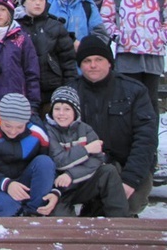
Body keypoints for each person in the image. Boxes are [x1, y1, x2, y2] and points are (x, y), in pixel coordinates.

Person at [69, 35, 158, 216]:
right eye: (87, 60)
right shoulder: (70, 93)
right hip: (88, 169)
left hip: (129, 166)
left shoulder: (135, 91)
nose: (93, 65)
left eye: (99, 59)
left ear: (109, 62)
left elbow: (146, 139)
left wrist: (130, 180)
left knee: (125, 204)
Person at [100, 0, 167, 118]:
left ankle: (150, 141)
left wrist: (161, 35)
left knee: (150, 99)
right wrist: (118, 36)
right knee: (128, 99)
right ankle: (129, 142)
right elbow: (105, 17)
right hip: (128, 54)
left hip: (153, 53)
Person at [43, 86, 129, 218]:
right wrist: (87, 149)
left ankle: (120, 220)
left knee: (109, 171)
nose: (61, 113)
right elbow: (59, 161)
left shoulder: (85, 129)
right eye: (57, 109)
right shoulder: (48, 131)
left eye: (67, 109)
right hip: (60, 188)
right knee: (61, 219)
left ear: (75, 111)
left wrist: (71, 175)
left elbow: (97, 159)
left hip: (82, 182)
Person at [0, 93, 59, 217]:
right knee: (7, 207)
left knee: (45, 162)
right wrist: (6, 184)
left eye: (19, 127)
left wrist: (55, 191)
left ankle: (34, 213)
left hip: (24, 179)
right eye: (7, 126)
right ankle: (1, 216)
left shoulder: (37, 132)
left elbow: (49, 167)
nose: (13, 131)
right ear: (0, 118)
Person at [17, 0, 77, 115]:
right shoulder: (16, 28)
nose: (37, 3)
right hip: (24, 90)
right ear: (24, 2)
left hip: (52, 89)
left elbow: (68, 62)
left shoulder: (56, 26)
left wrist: (68, 90)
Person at [0, 0, 41, 112]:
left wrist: (33, 102)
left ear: (9, 12)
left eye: (2, 9)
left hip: (18, 100)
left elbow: (31, 72)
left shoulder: (21, 38)